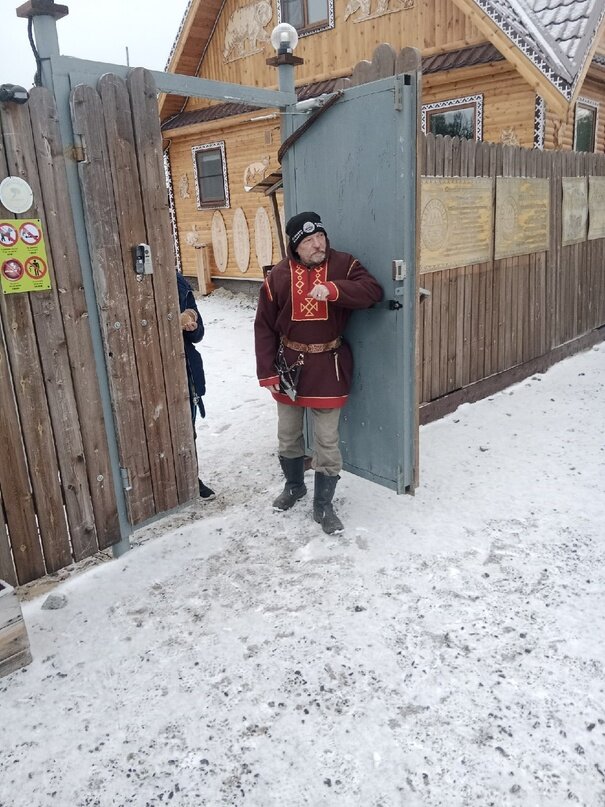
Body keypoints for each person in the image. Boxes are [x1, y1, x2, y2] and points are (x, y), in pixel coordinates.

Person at [254, 211, 383, 534]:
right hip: (289, 369)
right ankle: (295, 486)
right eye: (309, 241)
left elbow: (373, 292)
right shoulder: (278, 277)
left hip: (328, 366)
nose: (318, 245)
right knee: (288, 435)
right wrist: (267, 372)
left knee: (326, 440)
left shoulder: (344, 265)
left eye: (320, 237)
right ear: (295, 247)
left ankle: (323, 507)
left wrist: (335, 290)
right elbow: (264, 328)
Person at [176, 272, 215, 499]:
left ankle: (190, 476)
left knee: (187, 428)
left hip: (184, 367)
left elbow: (198, 335)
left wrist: (192, 325)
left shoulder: (180, 284)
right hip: (151, 366)